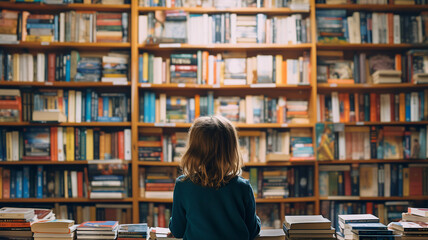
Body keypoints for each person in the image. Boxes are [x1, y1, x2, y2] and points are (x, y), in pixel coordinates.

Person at [169, 115, 261, 240]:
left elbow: (178, 230)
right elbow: (252, 230)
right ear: (231, 151)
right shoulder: (242, 187)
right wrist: (257, 220)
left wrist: (173, 220)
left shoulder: (183, 185)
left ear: (193, 150)